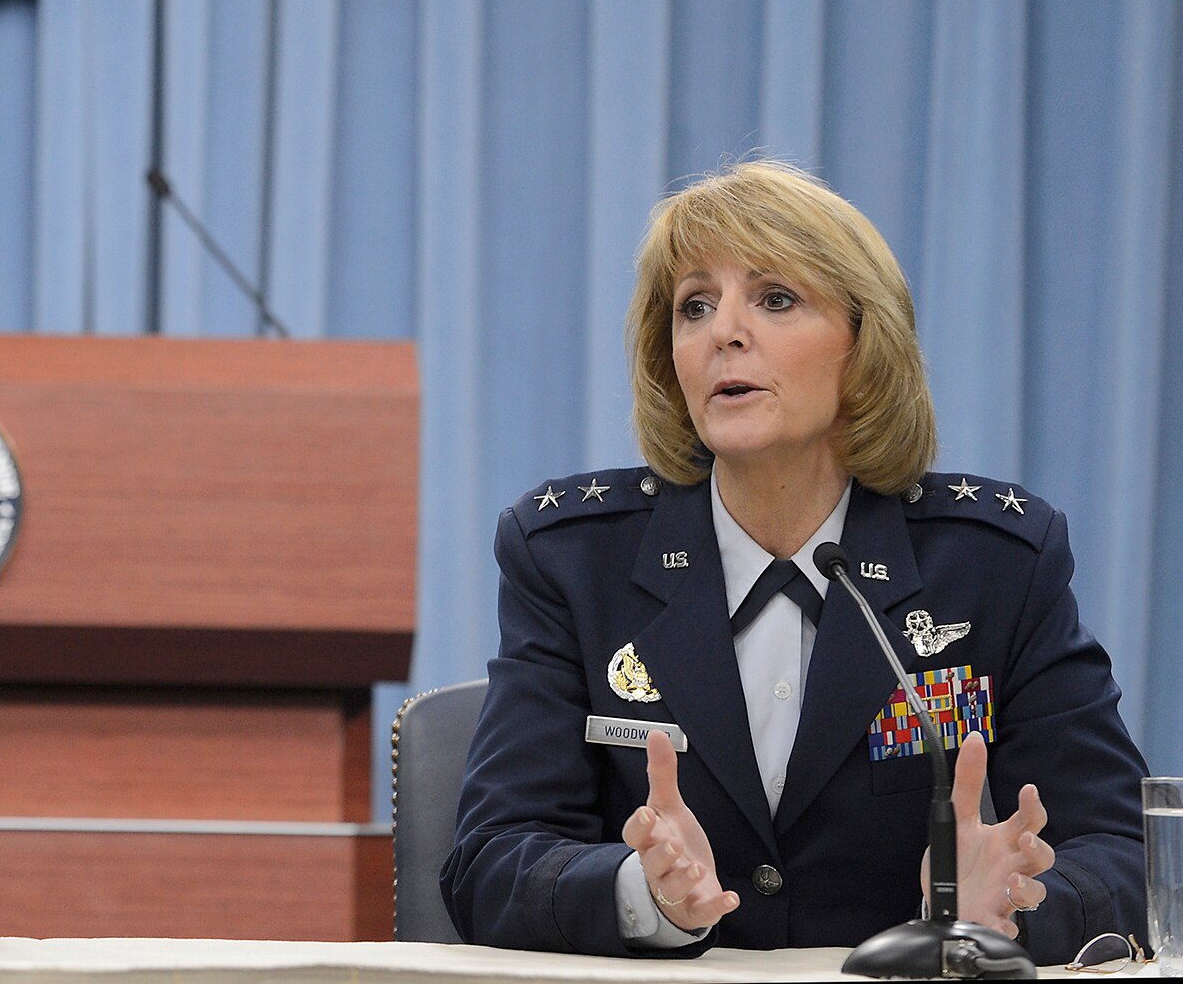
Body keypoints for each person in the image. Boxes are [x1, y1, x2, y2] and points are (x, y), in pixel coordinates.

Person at [441, 161, 1144, 964]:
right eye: (694, 306)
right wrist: (642, 890)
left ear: (864, 344)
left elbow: (1123, 849)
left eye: (775, 299)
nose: (723, 332)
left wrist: (1006, 907)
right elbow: (491, 860)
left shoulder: (994, 564)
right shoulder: (570, 558)